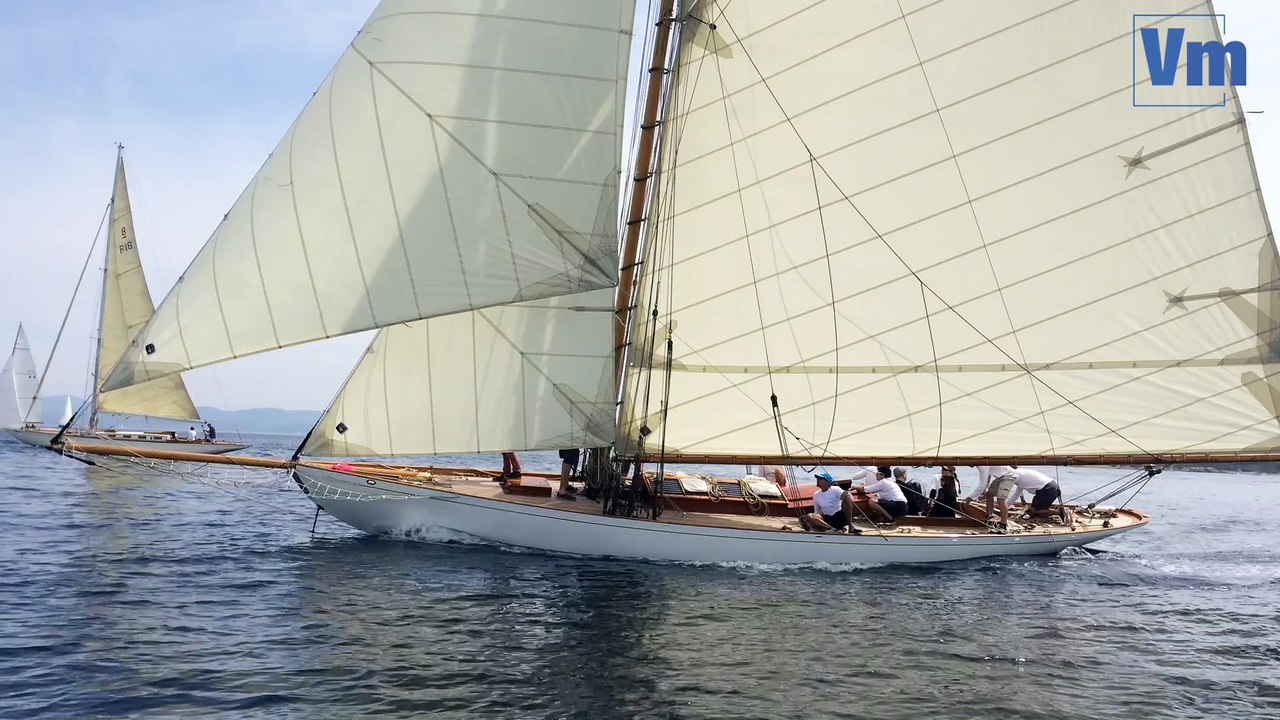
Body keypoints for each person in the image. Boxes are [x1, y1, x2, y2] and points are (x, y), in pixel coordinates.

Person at [1007, 468, 1071, 523]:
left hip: (1046, 489)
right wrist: (1006, 506)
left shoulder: (1015, 475)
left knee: (1034, 511)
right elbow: (1015, 495)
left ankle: (1059, 512)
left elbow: (1013, 494)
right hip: (1052, 487)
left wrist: (1004, 507)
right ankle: (1055, 511)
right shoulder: (1020, 475)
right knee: (1038, 510)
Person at [975, 465, 1019, 532]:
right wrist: (983, 491)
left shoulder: (982, 466)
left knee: (1000, 499)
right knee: (989, 494)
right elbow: (986, 479)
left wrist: (970, 497)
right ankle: (990, 516)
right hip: (1000, 477)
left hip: (1009, 476)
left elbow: (982, 483)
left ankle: (1003, 525)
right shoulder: (982, 466)